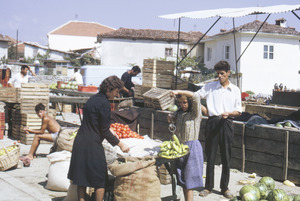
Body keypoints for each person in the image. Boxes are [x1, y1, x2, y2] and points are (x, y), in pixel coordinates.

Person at [68, 76, 130, 201]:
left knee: (81, 177)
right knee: (100, 179)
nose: (117, 95)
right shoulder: (104, 103)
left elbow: (95, 124)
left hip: (80, 141)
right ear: (109, 89)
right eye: (116, 91)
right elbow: (104, 130)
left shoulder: (92, 99)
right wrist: (120, 144)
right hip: (92, 144)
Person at [197, 61, 242, 199]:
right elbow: (195, 96)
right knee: (210, 156)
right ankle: (208, 187)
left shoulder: (235, 90)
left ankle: (225, 188)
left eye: (222, 74)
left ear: (229, 73)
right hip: (212, 122)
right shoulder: (210, 87)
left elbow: (239, 111)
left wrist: (229, 114)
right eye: (218, 74)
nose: (220, 76)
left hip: (227, 123)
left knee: (226, 157)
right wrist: (205, 110)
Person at [168, 90, 207, 201]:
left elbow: (196, 96)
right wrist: (171, 120)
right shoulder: (179, 113)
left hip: (192, 147)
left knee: (190, 180)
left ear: (190, 102)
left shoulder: (195, 113)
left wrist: (177, 91)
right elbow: (173, 125)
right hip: (180, 147)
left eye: (185, 102)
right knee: (183, 179)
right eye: (180, 103)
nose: (182, 105)